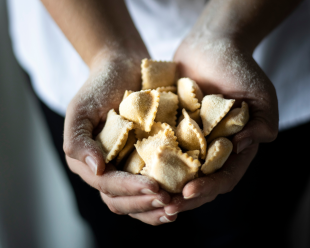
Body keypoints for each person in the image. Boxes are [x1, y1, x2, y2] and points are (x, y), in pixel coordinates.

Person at [7, 0, 310, 247]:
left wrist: (228, 32)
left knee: (248, 235)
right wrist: (107, 52)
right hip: (81, 35)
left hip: (271, 38)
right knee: (118, 236)